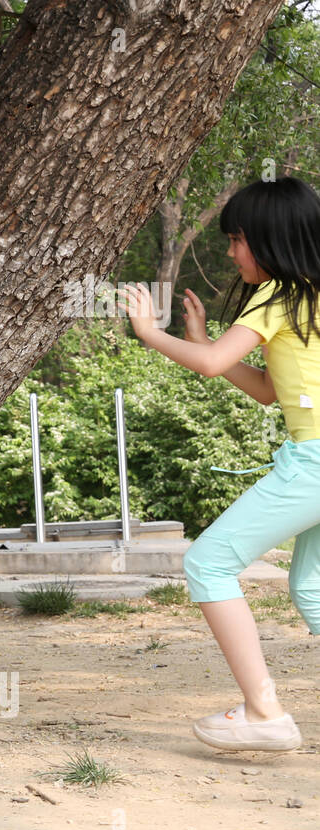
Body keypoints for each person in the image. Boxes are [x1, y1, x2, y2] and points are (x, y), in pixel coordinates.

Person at [123, 175, 320, 752]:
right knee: (310, 590)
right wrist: (204, 339)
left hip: (313, 465)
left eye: (236, 239)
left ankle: (264, 712)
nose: (231, 252)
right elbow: (266, 389)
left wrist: (150, 335)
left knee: (208, 564)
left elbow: (210, 364)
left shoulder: (279, 295)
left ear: (271, 240)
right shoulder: (309, 295)